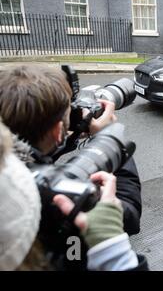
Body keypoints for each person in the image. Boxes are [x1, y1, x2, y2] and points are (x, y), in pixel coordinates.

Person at [0, 64, 143, 268]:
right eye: (70, 114)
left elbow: (31, 152)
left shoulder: (9, 175)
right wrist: (109, 135)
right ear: (59, 130)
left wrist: (73, 134)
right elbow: (129, 214)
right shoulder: (59, 199)